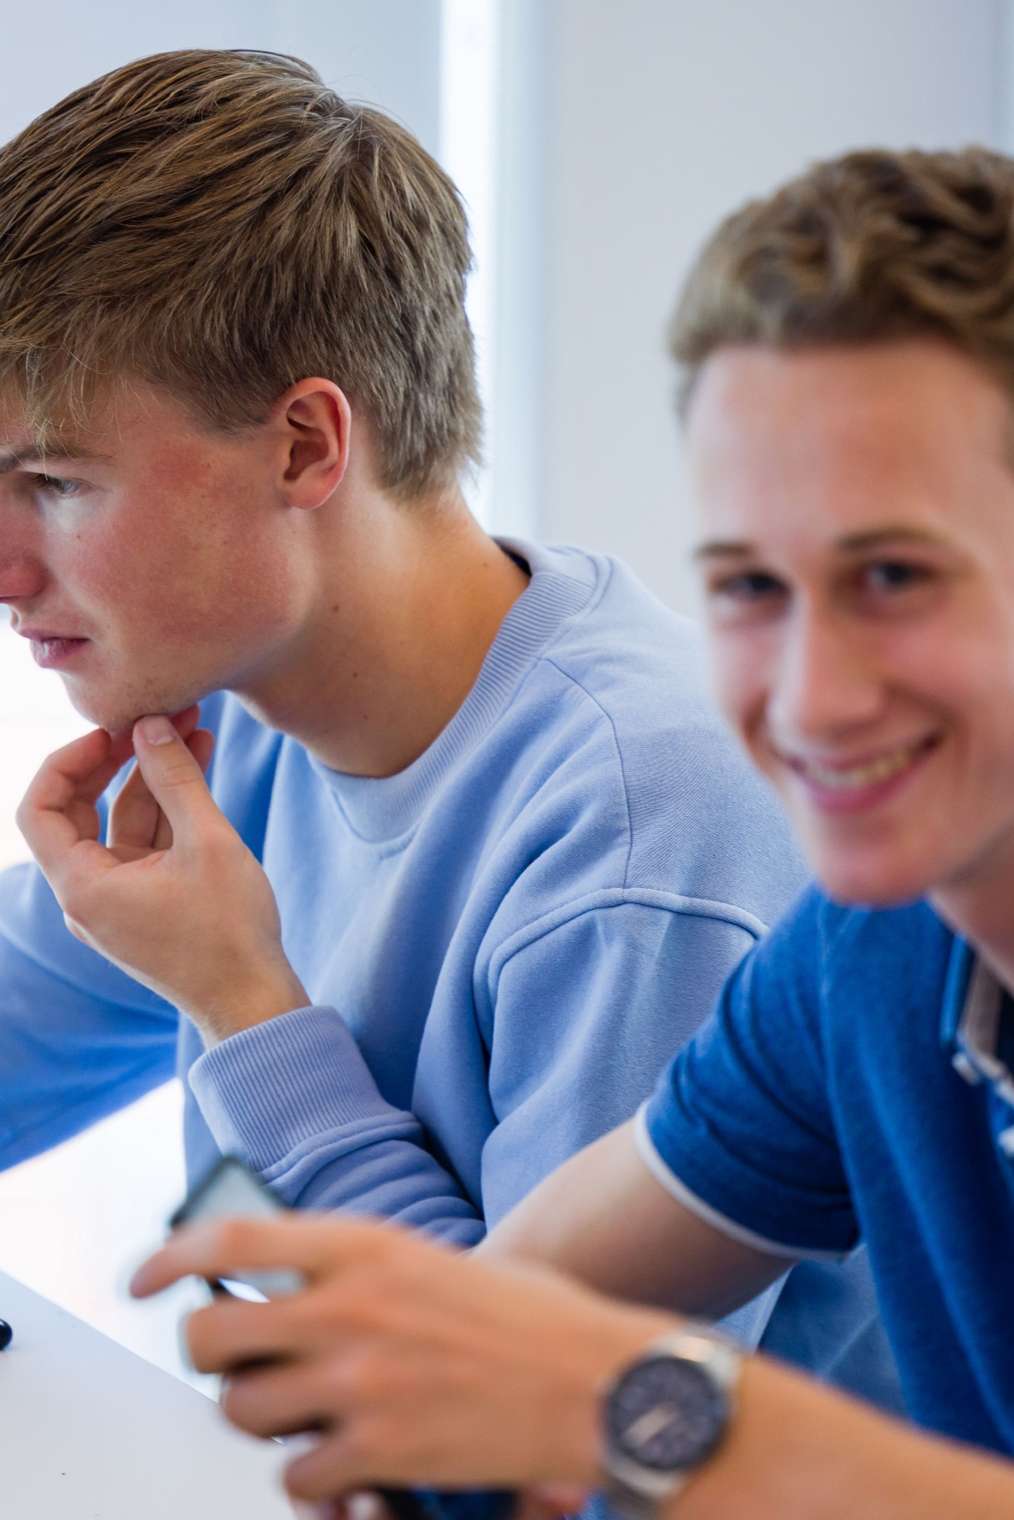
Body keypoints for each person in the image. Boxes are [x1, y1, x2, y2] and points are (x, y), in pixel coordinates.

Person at [132, 143, 1014, 1518]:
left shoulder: (651, 821)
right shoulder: (867, 956)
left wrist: (620, 1414)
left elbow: (574, 1396)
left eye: (892, 577)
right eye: (746, 586)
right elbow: (500, 1337)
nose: (808, 696)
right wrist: (401, 1374)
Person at [0, 47, 892, 1398]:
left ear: (305, 445)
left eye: (54, 482)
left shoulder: (642, 831)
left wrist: (243, 1009)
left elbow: (530, 1430)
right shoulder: (250, 724)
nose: (6, 568)